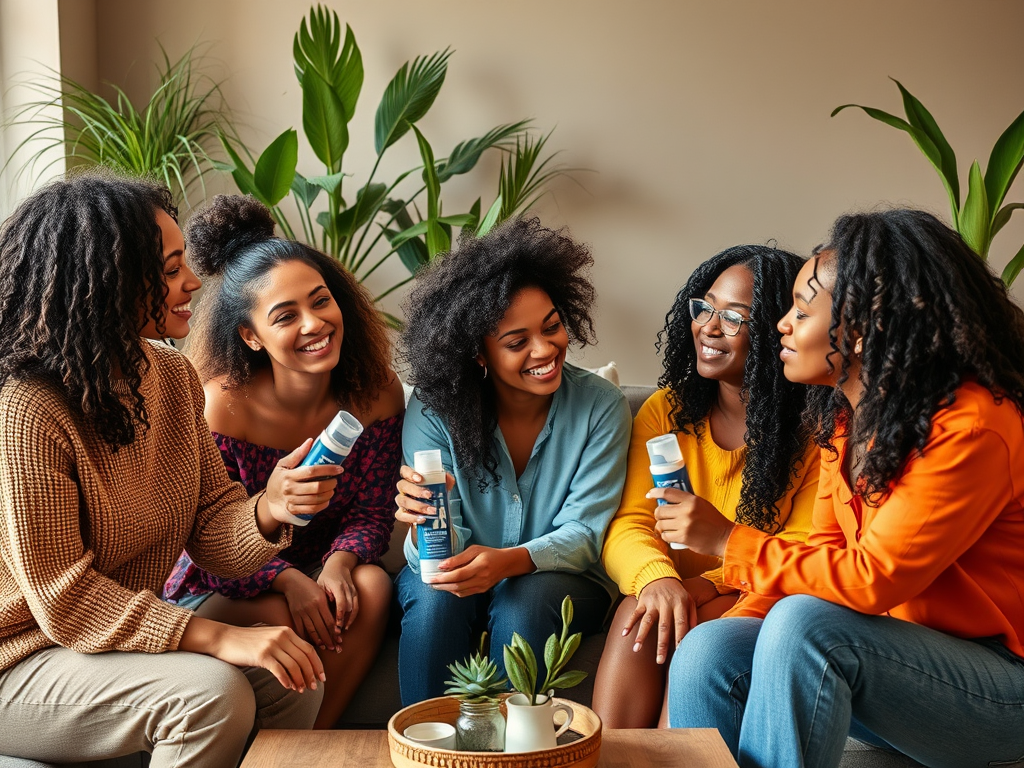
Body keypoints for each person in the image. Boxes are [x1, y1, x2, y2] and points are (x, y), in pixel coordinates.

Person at [0, 173, 338, 767]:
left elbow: (212, 527)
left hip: (108, 646)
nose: (194, 282)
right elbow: (65, 599)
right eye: (171, 268)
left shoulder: (172, 375)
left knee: (293, 670)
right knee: (210, 696)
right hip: (21, 659)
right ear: (110, 283)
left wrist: (269, 508)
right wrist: (223, 637)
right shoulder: (30, 408)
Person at [665, 209, 1024, 768]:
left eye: (802, 312)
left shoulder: (971, 427)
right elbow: (826, 552)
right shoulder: (846, 420)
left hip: (996, 691)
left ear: (862, 329)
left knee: (806, 626)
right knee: (710, 650)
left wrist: (729, 541)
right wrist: (732, 625)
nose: (781, 324)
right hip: (889, 664)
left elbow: (874, 580)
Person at [163, 195, 403, 729]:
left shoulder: (378, 393)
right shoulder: (223, 405)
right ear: (251, 336)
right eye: (286, 316)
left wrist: (341, 563)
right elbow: (204, 537)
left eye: (321, 302)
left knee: (372, 588)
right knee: (282, 617)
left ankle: (313, 747)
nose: (315, 324)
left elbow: (373, 509)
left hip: (320, 568)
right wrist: (287, 580)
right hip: (227, 578)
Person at [393, 217, 631, 705]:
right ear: (478, 353)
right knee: (435, 597)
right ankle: (426, 752)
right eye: (517, 342)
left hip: (558, 582)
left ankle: (518, 755)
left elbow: (586, 533)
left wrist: (509, 562)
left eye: (552, 327)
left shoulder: (600, 406)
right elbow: (437, 553)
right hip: (457, 573)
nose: (544, 350)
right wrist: (425, 525)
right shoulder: (434, 408)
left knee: (525, 599)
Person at [593, 245, 820, 728]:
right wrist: (660, 580)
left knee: (695, 636)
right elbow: (630, 523)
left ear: (778, 329)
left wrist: (703, 585)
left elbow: (802, 548)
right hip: (670, 591)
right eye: (705, 308)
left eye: (734, 318)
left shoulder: (813, 434)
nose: (709, 328)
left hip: (759, 601)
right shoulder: (665, 412)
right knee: (640, 610)